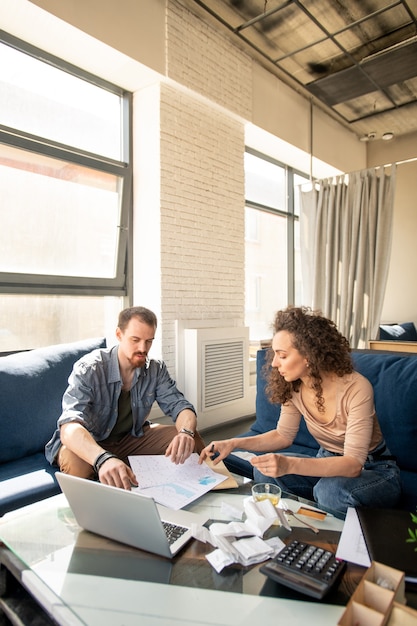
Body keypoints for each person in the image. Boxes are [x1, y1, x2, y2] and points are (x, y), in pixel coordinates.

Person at [199, 306, 401, 514]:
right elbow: (282, 436)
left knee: (329, 491)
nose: (275, 363)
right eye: (274, 355)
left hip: (373, 470)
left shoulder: (357, 388)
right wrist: (233, 443)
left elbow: (352, 465)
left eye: (282, 355)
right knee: (266, 474)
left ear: (308, 355)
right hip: (326, 460)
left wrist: (290, 465)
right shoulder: (293, 385)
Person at [46, 306, 205, 490]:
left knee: (190, 439)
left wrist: (186, 433)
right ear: (119, 334)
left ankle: (207, 487)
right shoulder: (91, 368)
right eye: (135, 340)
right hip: (91, 444)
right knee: (78, 467)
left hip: (130, 439)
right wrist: (103, 458)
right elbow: (69, 427)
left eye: (149, 341)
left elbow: (180, 405)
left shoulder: (155, 369)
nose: (143, 348)